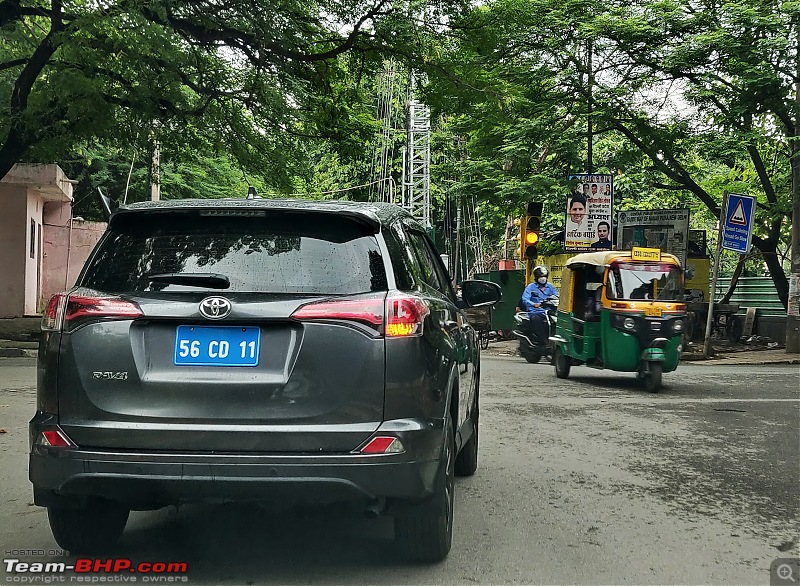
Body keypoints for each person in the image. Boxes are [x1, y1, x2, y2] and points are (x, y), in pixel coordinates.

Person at [522, 265, 559, 345]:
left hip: (549, 311)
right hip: (536, 312)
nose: (543, 278)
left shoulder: (550, 287)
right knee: (536, 320)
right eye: (541, 276)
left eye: (544, 276)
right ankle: (544, 340)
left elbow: (556, 296)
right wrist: (534, 304)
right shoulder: (531, 287)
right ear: (536, 277)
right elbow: (525, 299)